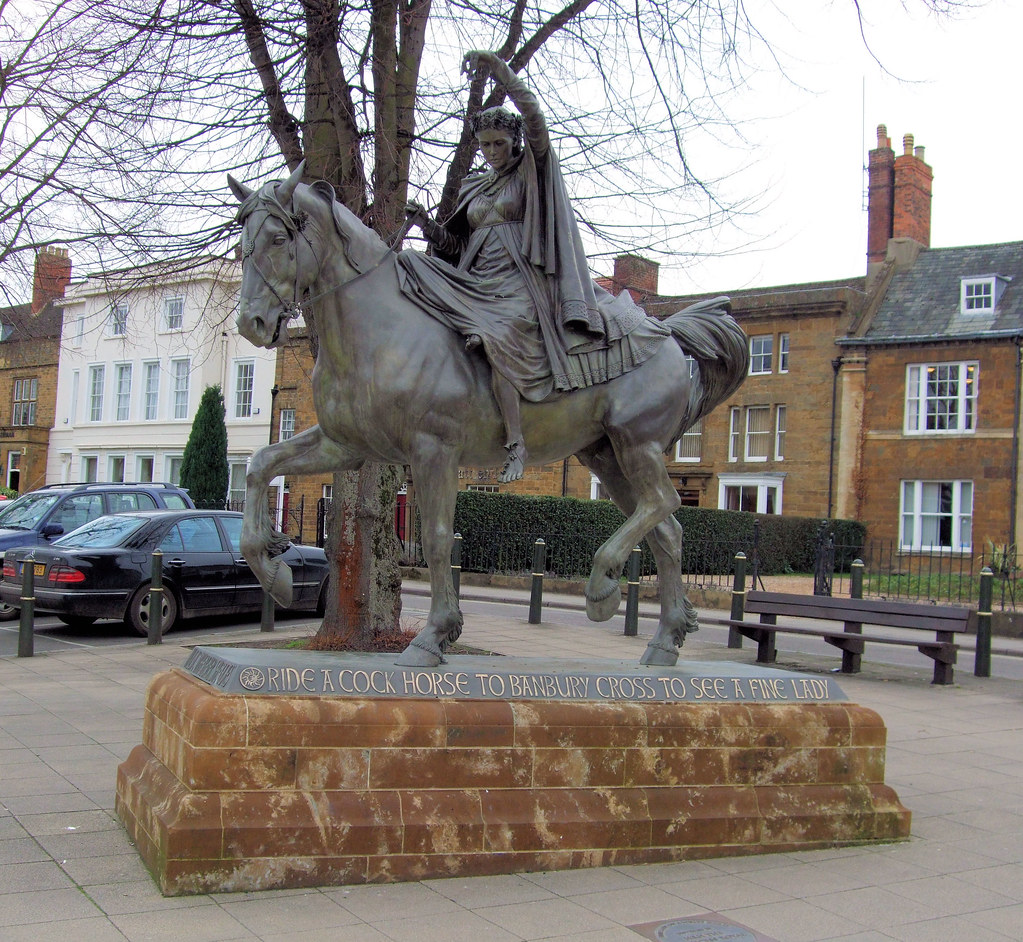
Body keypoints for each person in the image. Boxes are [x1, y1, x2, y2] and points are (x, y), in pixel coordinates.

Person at [400, 50, 667, 483]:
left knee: (495, 335)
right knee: (410, 266)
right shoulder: (474, 184)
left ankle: (516, 443)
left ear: (515, 142)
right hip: (476, 280)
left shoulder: (531, 169)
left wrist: (498, 70)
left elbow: (535, 116)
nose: (491, 152)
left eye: (499, 144)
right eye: (484, 145)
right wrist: (425, 225)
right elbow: (455, 244)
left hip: (519, 284)